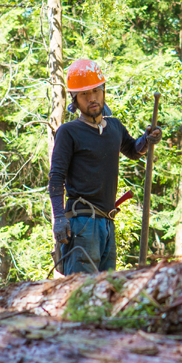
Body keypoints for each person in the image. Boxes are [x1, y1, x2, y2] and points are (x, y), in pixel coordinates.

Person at [48, 59, 162, 274]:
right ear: (75, 99)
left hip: (107, 223)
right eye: (84, 94)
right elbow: (56, 178)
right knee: (83, 290)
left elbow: (133, 150)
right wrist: (59, 219)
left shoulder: (114, 127)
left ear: (104, 91)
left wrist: (147, 139)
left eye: (96, 91)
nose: (92, 98)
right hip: (82, 222)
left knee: (106, 289)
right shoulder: (69, 132)